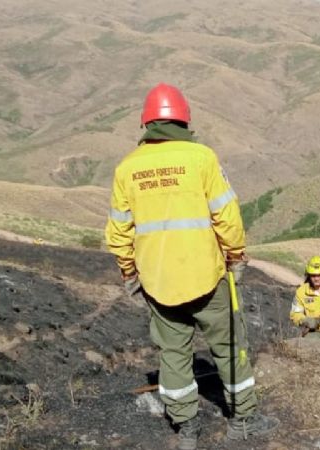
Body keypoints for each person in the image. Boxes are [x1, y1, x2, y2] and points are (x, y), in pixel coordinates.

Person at [104, 82, 278, 450]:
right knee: (230, 345)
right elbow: (226, 215)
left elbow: (119, 231)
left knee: (173, 354)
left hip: (158, 283)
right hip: (208, 278)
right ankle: (243, 421)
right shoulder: (202, 158)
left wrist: (129, 272)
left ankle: (187, 429)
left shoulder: (126, 169)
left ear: (147, 123)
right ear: (184, 120)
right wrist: (236, 255)